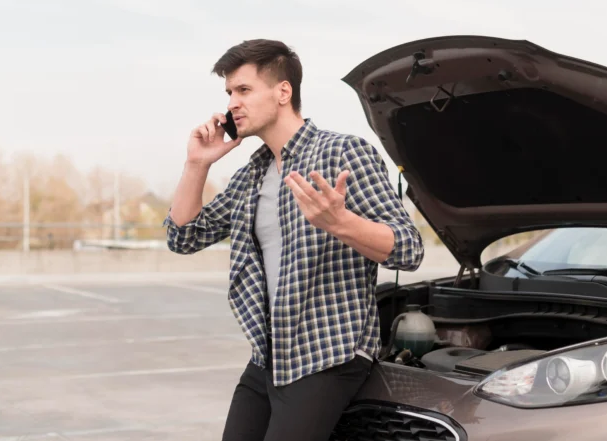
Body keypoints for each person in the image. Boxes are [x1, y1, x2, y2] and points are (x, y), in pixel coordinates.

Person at [163, 39, 424, 441]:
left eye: (244, 90)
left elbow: (408, 248)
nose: (232, 102)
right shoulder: (252, 174)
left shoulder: (344, 153)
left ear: (283, 92)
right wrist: (197, 163)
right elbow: (183, 236)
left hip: (328, 352)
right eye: (230, 93)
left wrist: (340, 222)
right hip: (270, 354)